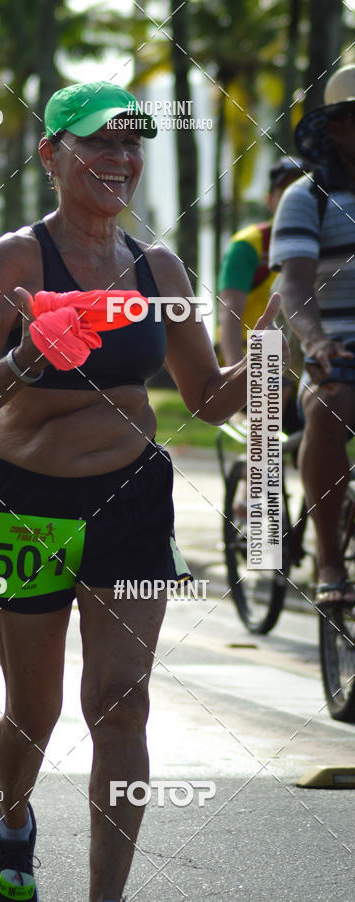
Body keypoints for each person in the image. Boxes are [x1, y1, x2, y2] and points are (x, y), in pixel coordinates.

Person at [0, 81, 287, 902]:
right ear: (53, 154)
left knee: (122, 705)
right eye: (100, 143)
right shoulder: (17, 260)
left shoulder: (157, 265)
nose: (120, 159)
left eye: (133, 145)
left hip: (131, 497)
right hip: (26, 499)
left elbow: (206, 397)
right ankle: (15, 817)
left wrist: (268, 355)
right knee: (35, 710)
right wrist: (28, 356)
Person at [270, 64, 355, 606]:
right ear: (337, 128)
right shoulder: (309, 198)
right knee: (328, 408)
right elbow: (295, 285)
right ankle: (329, 561)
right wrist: (317, 341)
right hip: (341, 347)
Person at [218, 156, 305, 368]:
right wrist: (236, 375)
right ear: (269, 200)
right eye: (285, 191)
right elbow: (229, 312)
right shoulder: (248, 244)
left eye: (301, 190)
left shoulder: (326, 241)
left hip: (308, 364)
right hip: (256, 362)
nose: (293, 198)